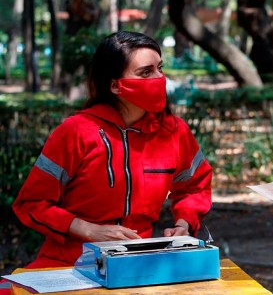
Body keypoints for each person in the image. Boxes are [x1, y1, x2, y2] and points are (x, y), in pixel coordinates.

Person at [11, 31, 213, 269]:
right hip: (68, 264)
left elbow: (194, 186)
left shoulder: (175, 132)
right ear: (116, 86)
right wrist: (88, 230)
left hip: (139, 262)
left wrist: (183, 224)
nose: (160, 78)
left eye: (160, 68)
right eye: (146, 72)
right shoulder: (75, 132)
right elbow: (32, 203)